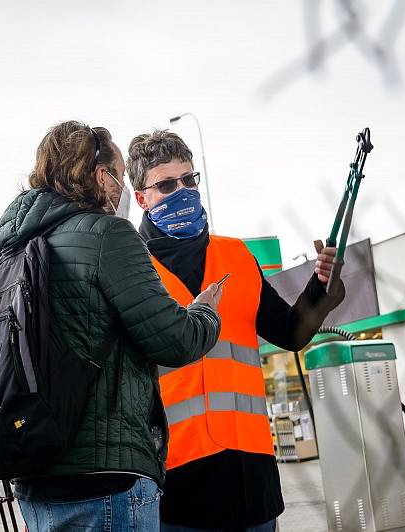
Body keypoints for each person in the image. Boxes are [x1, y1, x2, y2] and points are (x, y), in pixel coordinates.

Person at [0, 120, 223, 531]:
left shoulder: (9, 248)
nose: (122, 189)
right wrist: (205, 312)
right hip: (105, 480)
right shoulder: (108, 233)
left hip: (35, 475)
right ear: (100, 176)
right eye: (117, 175)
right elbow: (175, 340)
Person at [126, 130, 345, 531]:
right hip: (175, 487)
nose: (183, 192)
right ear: (141, 198)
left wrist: (320, 286)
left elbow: (292, 333)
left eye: (190, 180)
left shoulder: (237, 256)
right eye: (167, 184)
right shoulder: (129, 271)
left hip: (251, 478)